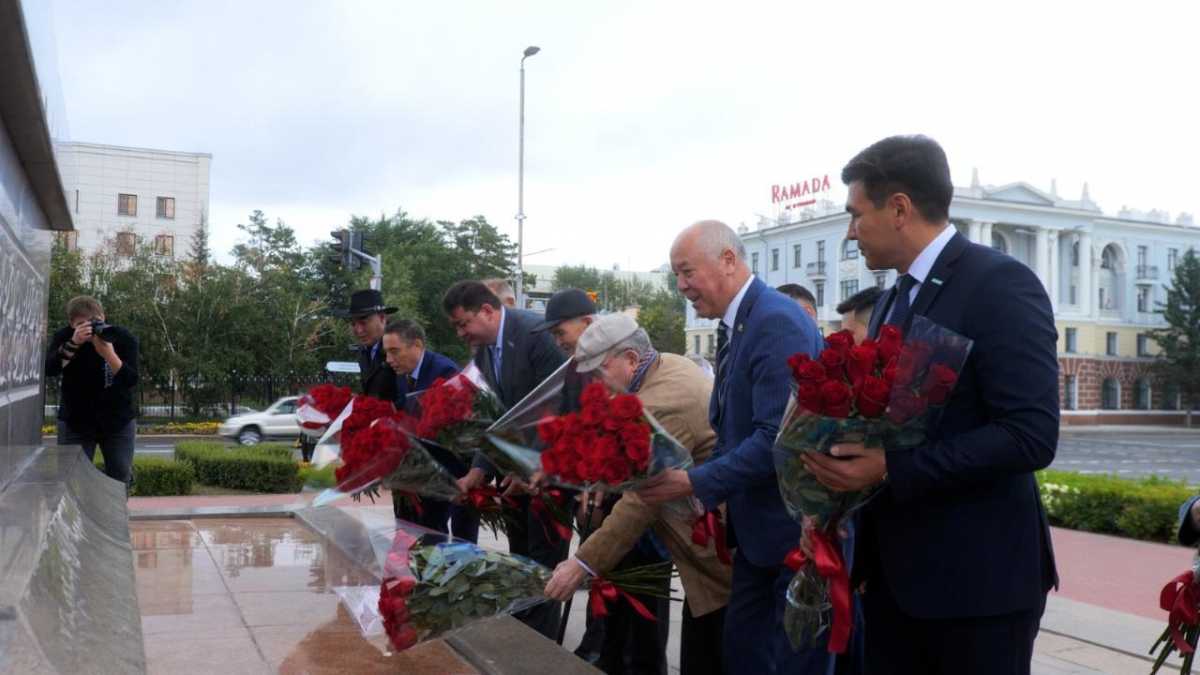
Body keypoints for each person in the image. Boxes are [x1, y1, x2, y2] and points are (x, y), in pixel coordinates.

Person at [803, 135, 1059, 675]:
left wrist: (889, 469)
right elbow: (893, 424)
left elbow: (1030, 434)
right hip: (898, 583)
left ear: (899, 208)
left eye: (855, 214)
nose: (850, 232)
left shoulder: (1000, 284)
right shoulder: (895, 297)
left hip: (976, 591)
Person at [638, 221, 830, 675]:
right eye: (676, 275)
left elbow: (774, 438)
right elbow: (731, 427)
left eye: (687, 272)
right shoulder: (739, 323)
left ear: (728, 259)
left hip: (789, 537)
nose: (682, 286)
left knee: (779, 661)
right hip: (756, 535)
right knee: (742, 654)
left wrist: (694, 482)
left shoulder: (776, 321)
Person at [544, 314, 732, 675]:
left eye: (599, 372)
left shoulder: (657, 404)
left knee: (708, 654)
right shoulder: (668, 363)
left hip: (714, 549)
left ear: (631, 359)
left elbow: (641, 501)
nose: (595, 384)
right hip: (711, 539)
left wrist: (581, 562)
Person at [441, 280, 569, 639]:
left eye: (463, 323)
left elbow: (560, 406)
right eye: (456, 326)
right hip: (516, 477)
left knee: (545, 566)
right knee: (522, 561)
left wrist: (529, 465)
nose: (460, 332)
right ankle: (526, 635)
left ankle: (541, 650)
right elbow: (497, 419)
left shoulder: (534, 334)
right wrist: (478, 471)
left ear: (487, 310)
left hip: (551, 474)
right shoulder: (483, 352)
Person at [382, 318, 480, 542]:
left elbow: (460, 429)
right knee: (423, 534)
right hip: (424, 471)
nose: (389, 360)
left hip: (455, 471)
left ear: (416, 345)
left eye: (394, 352)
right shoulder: (403, 375)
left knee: (458, 540)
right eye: (387, 353)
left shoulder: (444, 371)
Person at [44, 296, 140, 488]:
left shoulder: (121, 337)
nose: (90, 329)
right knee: (71, 479)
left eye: (95, 322)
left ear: (104, 317)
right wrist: (74, 343)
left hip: (117, 421)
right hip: (76, 421)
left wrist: (108, 354)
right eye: (82, 324)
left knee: (120, 476)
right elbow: (50, 369)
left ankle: (115, 517)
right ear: (72, 324)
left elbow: (130, 380)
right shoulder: (64, 337)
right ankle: (74, 518)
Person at [336, 289, 403, 513]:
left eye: (363, 322)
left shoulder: (399, 349)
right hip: (390, 448)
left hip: (407, 442)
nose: (358, 329)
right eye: (354, 323)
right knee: (404, 518)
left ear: (383, 318)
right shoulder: (365, 353)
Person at [532, 288, 598, 356]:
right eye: (554, 335)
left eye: (560, 333)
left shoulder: (607, 364)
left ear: (587, 323)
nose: (558, 343)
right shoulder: (582, 360)